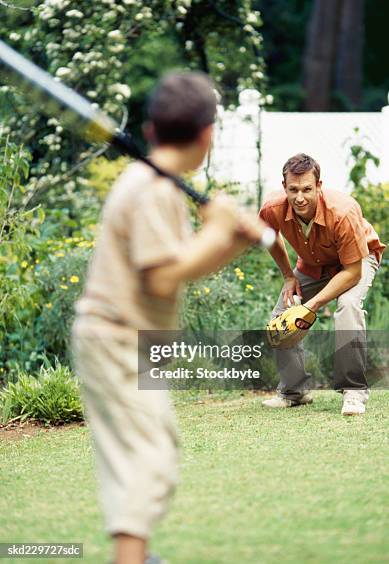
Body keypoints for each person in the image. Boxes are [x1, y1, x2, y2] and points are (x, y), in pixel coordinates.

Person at [72, 71, 270, 564]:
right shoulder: (152, 189)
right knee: (148, 460)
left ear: (153, 128)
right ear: (208, 134)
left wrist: (228, 242)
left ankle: (136, 556)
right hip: (114, 337)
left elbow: (179, 266)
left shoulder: (156, 185)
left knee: (151, 452)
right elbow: (163, 278)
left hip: (127, 340)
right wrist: (219, 227)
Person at [259, 153, 386, 416]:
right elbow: (269, 237)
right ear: (284, 188)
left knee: (348, 305)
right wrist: (288, 276)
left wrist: (312, 305)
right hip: (312, 265)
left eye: (307, 189)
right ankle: (294, 392)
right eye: (293, 190)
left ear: (319, 185)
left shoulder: (343, 211)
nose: (300, 197)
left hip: (356, 261)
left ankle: (354, 392)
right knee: (282, 316)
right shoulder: (273, 208)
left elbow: (352, 272)